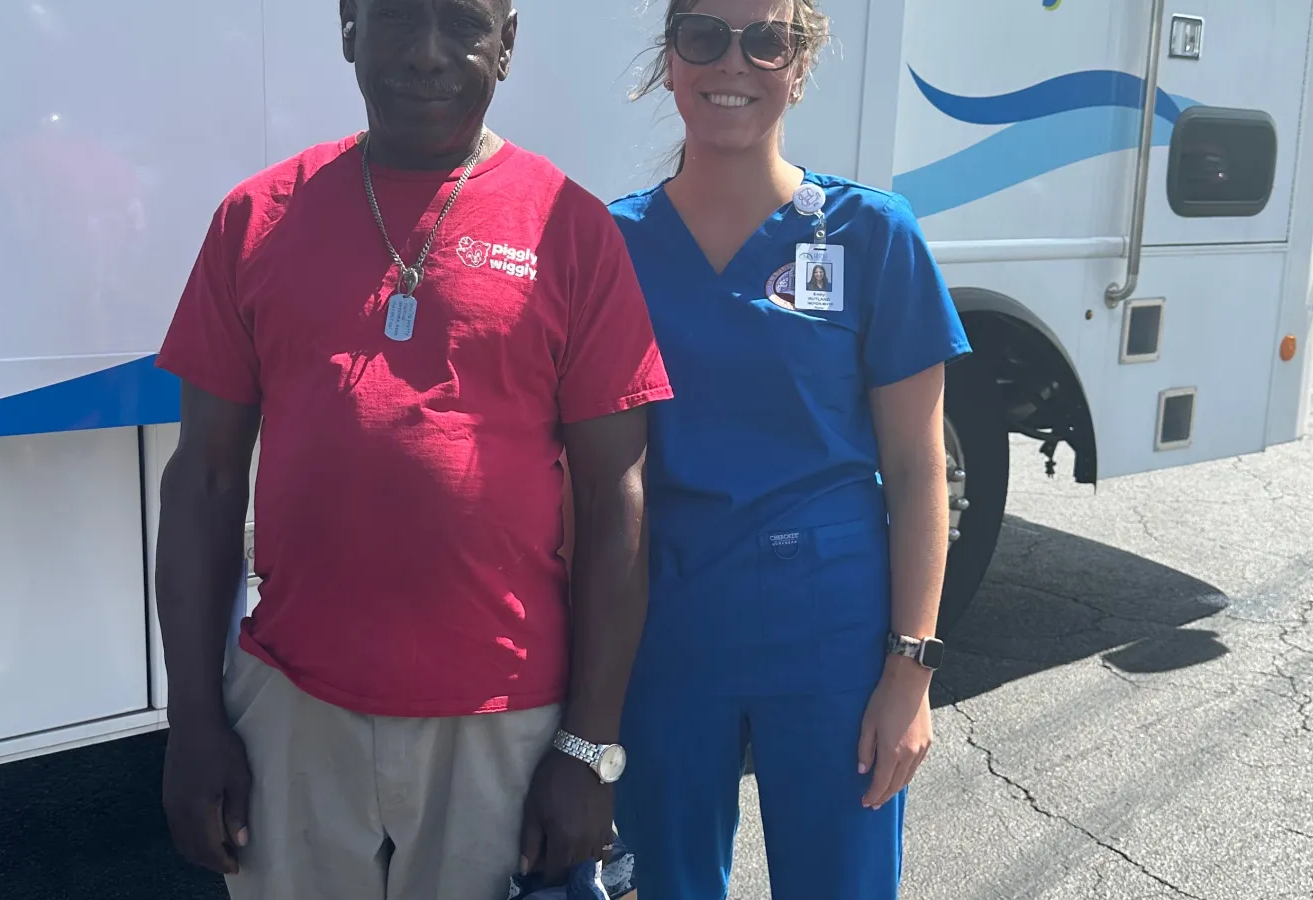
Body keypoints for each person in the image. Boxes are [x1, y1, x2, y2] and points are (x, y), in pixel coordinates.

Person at [152, 1, 674, 898]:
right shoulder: (257, 219)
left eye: (463, 24)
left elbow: (613, 497)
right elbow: (202, 479)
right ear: (349, 27)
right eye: (397, 17)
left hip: (503, 721)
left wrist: (590, 749)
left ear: (506, 44)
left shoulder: (573, 231)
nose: (428, 55)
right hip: (293, 707)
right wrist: (194, 717)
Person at [605, 1, 971, 897]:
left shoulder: (872, 235)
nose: (733, 63)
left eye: (766, 40)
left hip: (833, 633)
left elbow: (923, 471)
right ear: (671, 58)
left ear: (799, 66)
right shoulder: (612, 244)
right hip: (667, 631)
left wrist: (909, 671)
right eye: (703, 37)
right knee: (672, 884)